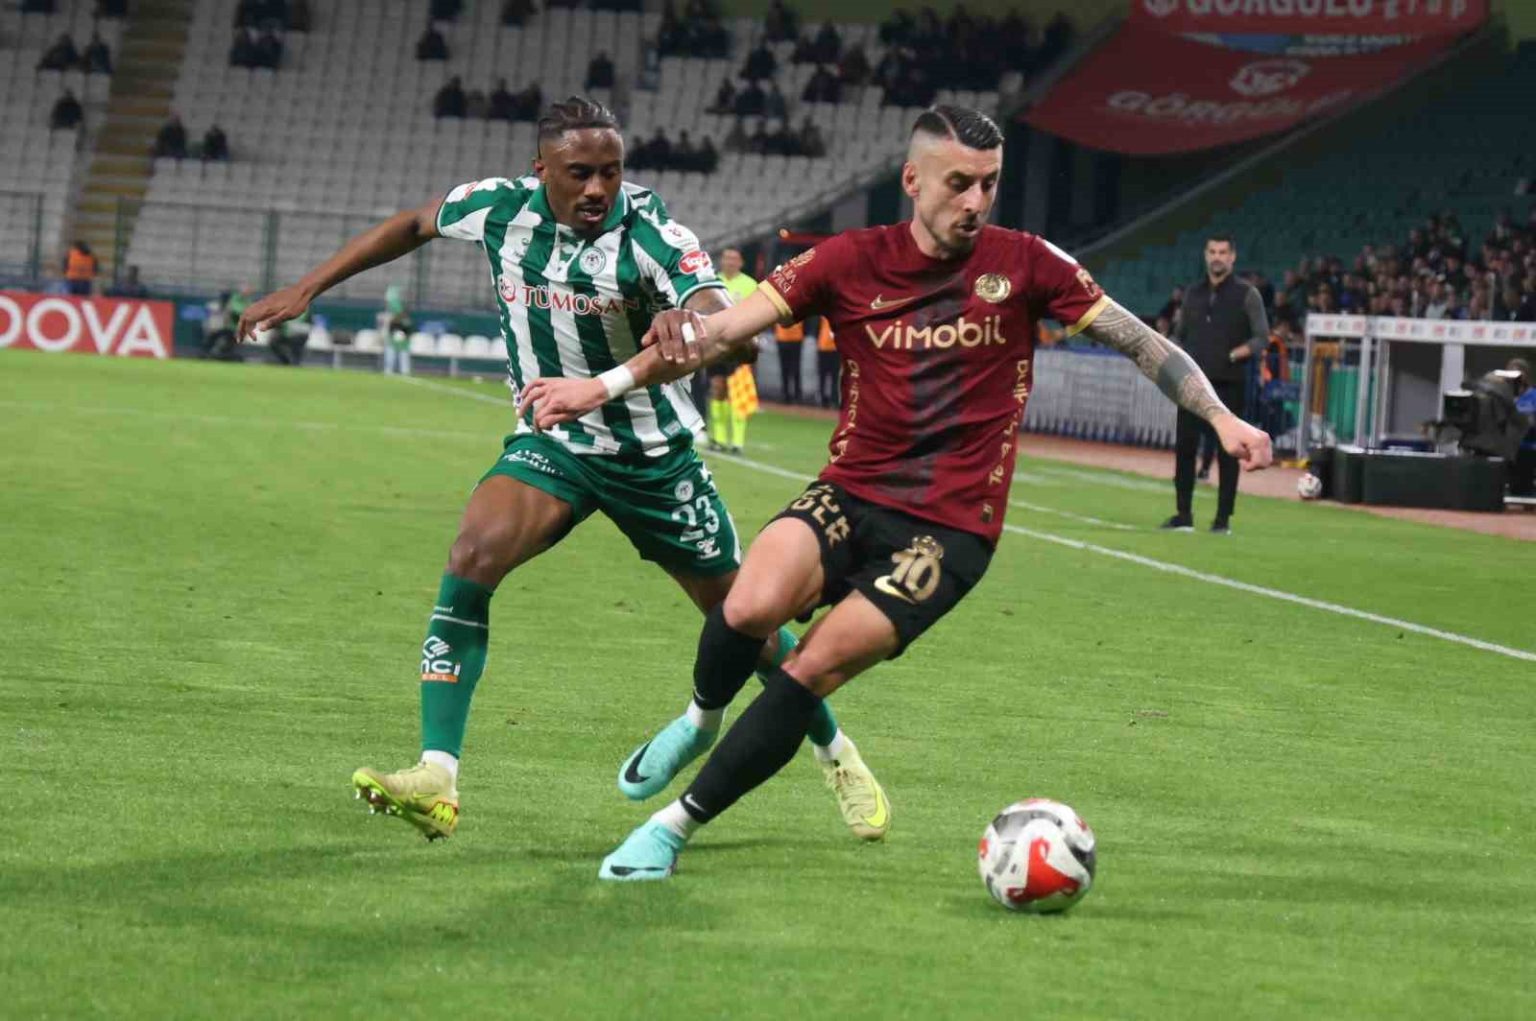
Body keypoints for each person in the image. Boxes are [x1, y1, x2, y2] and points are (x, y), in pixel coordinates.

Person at [516, 104, 1271, 880]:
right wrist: (598, 387)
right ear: (913, 180)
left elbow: (1141, 340)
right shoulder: (848, 259)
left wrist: (1220, 416)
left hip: (949, 529)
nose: (976, 201)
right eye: (958, 183)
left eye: (989, 184)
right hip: (851, 490)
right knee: (743, 606)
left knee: (810, 669)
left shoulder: (1027, 263)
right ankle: (699, 719)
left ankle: (672, 827)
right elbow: (720, 332)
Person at [236, 97, 885, 844]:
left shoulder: (651, 233)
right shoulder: (498, 208)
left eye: (611, 171)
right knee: (472, 555)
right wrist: (308, 287)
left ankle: (836, 752)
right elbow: (413, 224)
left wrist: (696, 321)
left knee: (745, 622)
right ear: (540, 169)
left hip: (652, 459)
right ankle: (438, 774)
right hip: (556, 443)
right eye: (580, 172)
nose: (598, 188)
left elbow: (722, 318)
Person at [1162, 235, 1269, 535]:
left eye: (1223, 252)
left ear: (1232, 257)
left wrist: (1233, 355)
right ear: (1205, 255)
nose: (1217, 257)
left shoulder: (1247, 294)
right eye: (1212, 251)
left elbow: (1261, 338)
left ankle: (1223, 520)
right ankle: (1183, 515)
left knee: (1228, 453)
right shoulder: (1192, 294)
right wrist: (1172, 353)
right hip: (1192, 386)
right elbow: (1179, 334)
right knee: (1185, 449)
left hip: (1228, 383)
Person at [708, 247, 761, 452]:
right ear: (721, 261)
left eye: (734, 258)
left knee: (737, 392)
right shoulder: (712, 281)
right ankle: (719, 439)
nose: (729, 262)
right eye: (726, 258)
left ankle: (737, 442)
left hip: (740, 346)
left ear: (741, 262)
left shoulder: (750, 284)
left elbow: (757, 314)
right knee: (717, 387)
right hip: (716, 344)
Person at [381, 283, 413, 376]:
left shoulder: (405, 320)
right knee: (391, 350)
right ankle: (389, 370)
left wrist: (403, 336)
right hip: (394, 336)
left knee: (402, 352)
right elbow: (391, 328)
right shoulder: (394, 315)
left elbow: (407, 330)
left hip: (402, 336)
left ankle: (404, 371)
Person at [773, 314, 804, 402]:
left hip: (793, 338)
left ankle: (794, 395)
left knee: (793, 368)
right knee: (787, 368)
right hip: (785, 338)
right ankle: (788, 395)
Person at [814, 313, 837, 407]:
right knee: (823, 375)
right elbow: (816, 329)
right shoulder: (821, 316)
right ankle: (823, 399)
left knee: (834, 376)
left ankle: (834, 399)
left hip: (835, 349)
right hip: (823, 348)